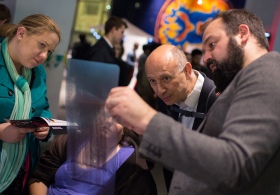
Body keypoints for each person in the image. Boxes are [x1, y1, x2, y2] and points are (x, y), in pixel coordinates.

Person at [105, 8, 280, 194]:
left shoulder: (268, 71)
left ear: (242, 34)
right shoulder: (242, 86)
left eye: (212, 44)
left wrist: (148, 120)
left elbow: (233, 165)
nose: (205, 58)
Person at [28, 106, 157, 195]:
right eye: (104, 115)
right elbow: (39, 178)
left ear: (125, 127)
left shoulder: (132, 165)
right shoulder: (67, 142)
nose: (108, 122)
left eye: (117, 119)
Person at [0, 14, 61, 194]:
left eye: (49, 51)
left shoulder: (38, 72)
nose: (43, 56)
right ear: (21, 34)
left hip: (23, 168)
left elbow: (44, 107)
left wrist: (45, 126)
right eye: (41, 45)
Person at [144, 44, 217, 191]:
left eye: (166, 78)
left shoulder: (219, 100)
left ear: (187, 70)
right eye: (152, 81)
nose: (160, 90)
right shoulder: (165, 97)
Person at [86, 16, 128, 86]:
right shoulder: (100, 50)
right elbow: (94, 79)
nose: (122, 36)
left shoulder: (106, 48)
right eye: (122, 32)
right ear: (113, 30)